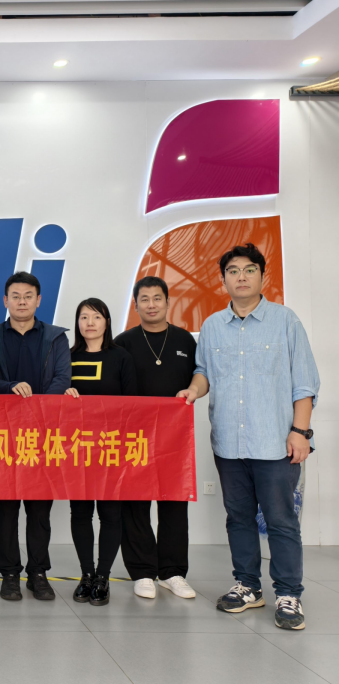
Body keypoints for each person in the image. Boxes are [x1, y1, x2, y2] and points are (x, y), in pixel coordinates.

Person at [179, 243, 319, 631]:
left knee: (281, 520)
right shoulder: (212, 326)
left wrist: (300, 432)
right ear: (223, 279)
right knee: (238, 518)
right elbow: (204, 372)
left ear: (262, 276)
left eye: (249, 270)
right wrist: (192, 390)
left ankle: (288, 593)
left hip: (276, 442)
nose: (241, 277)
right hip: (228, 442)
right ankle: (248, 586)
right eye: (233, 271)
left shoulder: (285, 321)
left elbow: (305, 383)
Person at [0, 271, 71, 602]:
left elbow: (62, 378)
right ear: (5, 301)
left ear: (39, 300)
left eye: (28, 296)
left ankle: (38, 573)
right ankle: (9, 574)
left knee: (39, 509)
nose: (21, 301)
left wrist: (40, 407)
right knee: (5, 509)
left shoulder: (56, 337)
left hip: (43, 434)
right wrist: (10, 386)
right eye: (15, 296)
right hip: (2, 434)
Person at [114, 277, 197, 600]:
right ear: (135, 305)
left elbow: (199, 379)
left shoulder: (185, 340)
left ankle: (173, 572)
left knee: (174, 502)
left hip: (174, 437)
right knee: (135, 504)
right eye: (145, 299)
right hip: (134, 437)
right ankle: (143, 572)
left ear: (167, 302)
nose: (151, 305)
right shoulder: (123, 342)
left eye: (157, 298)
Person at [64, 298, 137, 606]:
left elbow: (132, 405)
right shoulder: (66, 357)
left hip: (111, 448)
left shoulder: (121, 357)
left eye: (96, 317)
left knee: (110, 514)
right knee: (80, 513)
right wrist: (62, 394)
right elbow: (53, 401)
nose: (90, 323)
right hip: (76, 448)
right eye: (84, 317)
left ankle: (103, 577)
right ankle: (86, 574)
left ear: (107, 322)